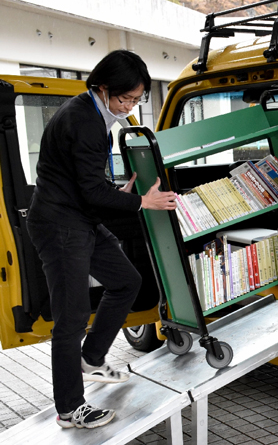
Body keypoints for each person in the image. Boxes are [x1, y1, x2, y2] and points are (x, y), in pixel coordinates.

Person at [26, 50, 176, 429]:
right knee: (71, 318)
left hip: (81, 219)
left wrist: (120, 192)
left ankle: (91, 359)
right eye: (125, 99)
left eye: (137, 100)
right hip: (61, 226)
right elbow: (90, 192)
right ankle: (69, 409)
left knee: (127, 281)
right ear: (103, 88)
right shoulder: (84, 121)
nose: (129, 108)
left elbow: (86, 182)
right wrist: (142, 200)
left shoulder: (92, 113)